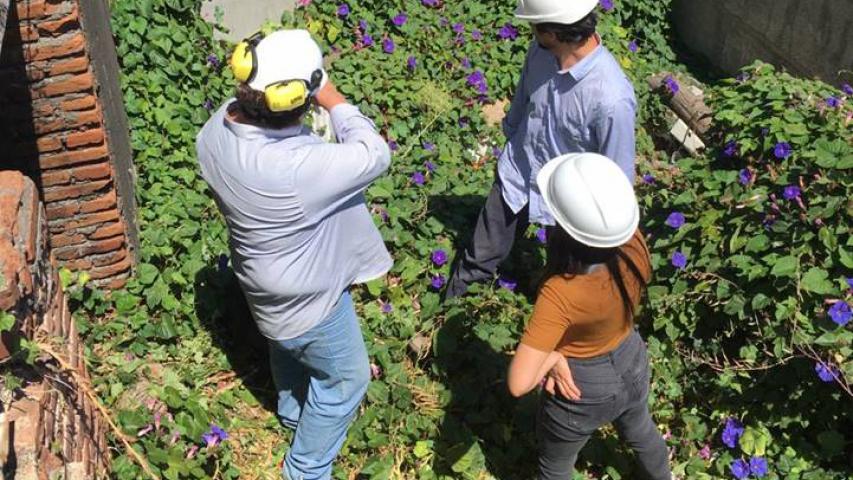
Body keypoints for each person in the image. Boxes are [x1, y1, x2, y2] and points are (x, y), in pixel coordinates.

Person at [195, 29, 392, 480]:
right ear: (297, 99)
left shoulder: (215, 130)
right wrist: (333, 98)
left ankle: (292, 412)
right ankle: (306, 468)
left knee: (285, 345)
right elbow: (375, 154)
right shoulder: (300, 167)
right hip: (310, 299)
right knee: (346, 378)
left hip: (259, 275)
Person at [445, 0, 637, 299]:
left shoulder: (611, 98)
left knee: (563, 280)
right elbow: (523, 98)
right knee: (478, 257)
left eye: (534, 25)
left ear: (552, 32)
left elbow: (617, 177)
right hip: (516, 173)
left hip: (568, 203)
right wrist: (510, 134)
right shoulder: (540, 52)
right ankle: (453, 307)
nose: (530, 30)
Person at [506, 153, 671, 480]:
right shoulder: (634, 243)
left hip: (581, 388)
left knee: (555, 467)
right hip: (632, 358)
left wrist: (553, 357)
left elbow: (518, 383)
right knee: (641, 430)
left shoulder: (561, 292)